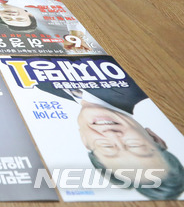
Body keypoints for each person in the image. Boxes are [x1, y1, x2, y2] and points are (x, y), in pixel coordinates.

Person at [36, 80, 184, 199]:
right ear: (155, 138)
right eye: (134, 145)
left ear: (85, 142)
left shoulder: (42, 86)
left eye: (107, 148)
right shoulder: (134, 84)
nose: (112, 135)